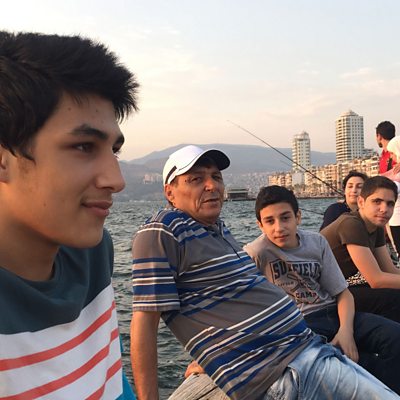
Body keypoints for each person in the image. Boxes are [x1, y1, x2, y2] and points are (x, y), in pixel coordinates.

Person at [131, 144, 398, 400]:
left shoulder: (218, 231)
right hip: (288, 369)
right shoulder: (163, 230)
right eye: (196, 179)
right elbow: (145, 321)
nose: (211, 185)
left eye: (216, 177)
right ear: (170, 192)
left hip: (305, 347)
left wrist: (211, 356)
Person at [0, 31, 139, 399]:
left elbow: (111, 385)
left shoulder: (91, 253)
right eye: (83, 146)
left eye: (114, 150)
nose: (116, 180)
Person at [244, 185, 400, 393]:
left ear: (298, 217)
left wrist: (346, 331)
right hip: (301, 324)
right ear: (260, 225)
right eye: (269, 221)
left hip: (334, 313)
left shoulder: (316, 242)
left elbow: (342, 294)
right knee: (353, 364)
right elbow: (235, 302)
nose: (279, 227)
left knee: (395, 337)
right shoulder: (256, 252)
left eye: (285, 218)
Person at [321, 176, 400, 323]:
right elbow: (376, 280)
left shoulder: (376, 226)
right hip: (320, 296)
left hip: (338, 289)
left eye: (390, 204)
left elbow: (389, 270)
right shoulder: (351, 224)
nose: (384, 209)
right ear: (361, 202)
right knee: (395, 298)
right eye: (377, 201)